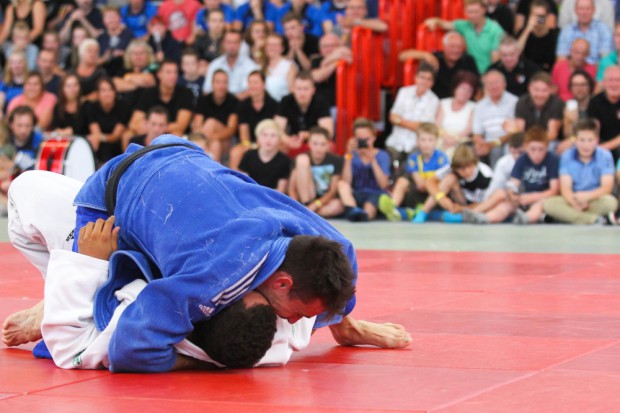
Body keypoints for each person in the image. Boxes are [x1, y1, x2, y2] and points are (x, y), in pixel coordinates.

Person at [5, 132, 412, 372]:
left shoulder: (336, 248)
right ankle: (57, 301)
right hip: (114, 192)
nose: (294, 321)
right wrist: (204, 360)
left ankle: (67, 294)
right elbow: (131, 347)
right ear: (282, 281)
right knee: (30, 201)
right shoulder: (216, 276)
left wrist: (343, 324)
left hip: (185, 157)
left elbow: (335, 288)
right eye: (302, 314)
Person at [2, 170, 306, 371]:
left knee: (24, 187)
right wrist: (338, 316)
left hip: (109, 256)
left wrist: (89, 262)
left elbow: (69, 348)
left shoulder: (132, 324)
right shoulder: (271, 338)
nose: (244, 280)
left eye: (238, 289)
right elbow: (315, 285)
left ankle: (52, 300)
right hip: (164, 220)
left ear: (206, 310)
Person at [462, 126, 559, 224]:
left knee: (539, 205)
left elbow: (554, 190)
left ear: (547, 147)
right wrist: (512, 195)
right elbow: (513, 184)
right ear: (526, 147)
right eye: (532, 149)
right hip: (524, 198)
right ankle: (483, 217)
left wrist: (532, 197)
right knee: (504, 204)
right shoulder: (522, 159)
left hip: (541, 198)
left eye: (541, 149)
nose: (536, 154)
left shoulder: (552, 160)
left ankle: (526, 218)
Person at [543, 118, 617, 224]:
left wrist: (586, 196)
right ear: (575, 140)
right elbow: (565, 188)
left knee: (611, 202)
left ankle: (571, 217)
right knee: (548, 204)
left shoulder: (605, 155)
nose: (586, 145)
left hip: (595, 198)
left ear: (597, 140)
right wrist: (574, 203)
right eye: (582, 140)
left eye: (590, 140)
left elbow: (606, 188)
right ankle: (593, 220)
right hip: (573, 198)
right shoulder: (566, 156)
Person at [379, 123, 449, 223]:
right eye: (423, 140)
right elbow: (419, 183)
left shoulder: (442, 158)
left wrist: (429, 184)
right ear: (417, 141)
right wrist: (426, 183)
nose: (426, 143)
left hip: (434, 197)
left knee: (440, 186)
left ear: (436, 142)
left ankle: (414, 212)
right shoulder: (413, 158)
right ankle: (392, 208)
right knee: (402, 181)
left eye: (430, 140)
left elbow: (442, 181)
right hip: (418, 193)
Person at [425, 0, 505, 74]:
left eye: (476, 12)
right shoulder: (464, 25)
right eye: (469, 12)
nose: (473, 15)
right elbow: (445, 24)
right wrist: (434, 21)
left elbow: (495, 62)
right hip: (469, 74)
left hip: (487, 74)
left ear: (483, 10)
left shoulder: (495, 30)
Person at [385, 63, 440, 170]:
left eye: (429, 79)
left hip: (415, 146)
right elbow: (392, 117)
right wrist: (411, 124)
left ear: (432, 83)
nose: (424, 81)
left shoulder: (434, 100)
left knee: (408, 175)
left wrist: (400, 121)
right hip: (395, 142)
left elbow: (423, 127)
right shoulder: (404, 92)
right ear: (415, 77)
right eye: (422, 77)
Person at [422, 142, 494, 223]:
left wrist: (461, 208)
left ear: (475, 162)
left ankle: (457, 216)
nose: (466, 171)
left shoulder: (486, 176)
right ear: (456, 168)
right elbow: (430, 181)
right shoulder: (453, 167)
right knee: (450, 178)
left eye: (469, 166)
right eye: (462, 169)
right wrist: (442, 198)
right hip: (459, 199)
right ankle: (423, 212)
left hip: (477, 205)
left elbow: (483, 204)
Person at [338, 117, 391, 222]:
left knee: (369, 207)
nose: (363, 142)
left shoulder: (382, 155)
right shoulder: (351, 155)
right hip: (356, 194)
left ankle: (362, 215)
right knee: (341, 184)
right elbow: (346, 182)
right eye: (359, 139)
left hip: (375, 194)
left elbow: (384, 184)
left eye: (366, 139)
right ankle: (353, 210)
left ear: (374, 138)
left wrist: (373, 160)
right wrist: (348, 155)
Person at [398, 31, 479, 100]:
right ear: (444, 46)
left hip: (460, 103)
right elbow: (401, 56)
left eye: (459, 47)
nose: (456, 50)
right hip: (434, 103)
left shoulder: (468, 60)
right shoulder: (435, 57)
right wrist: (425, 55)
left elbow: (477, 86)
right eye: (452, 46)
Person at [128, 60, 194, 138]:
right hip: (150, 132)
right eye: (168, 72)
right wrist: (152, 129)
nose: (173, 76)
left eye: (175, 72)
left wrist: (156, 129)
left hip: (170, 133)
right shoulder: (148, 93)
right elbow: (134, 123)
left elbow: (181, 125)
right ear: (159, 74)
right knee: (128, 135)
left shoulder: (186, 93)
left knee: (176, 134)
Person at [288, 126, 344, 218]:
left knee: (338, 206)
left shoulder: (336, 160)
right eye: (315, 144)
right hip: (306, 197)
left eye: (323, 144)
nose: (318, 148)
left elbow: (332, 191)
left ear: (328, 145)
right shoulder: (300, 159)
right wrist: (296, 205)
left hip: (323, 202)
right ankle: (306, 208)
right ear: (309, 143)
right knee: (302, 159)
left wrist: (316, 204)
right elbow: (292, 189)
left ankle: (307, 213)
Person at [275, 71, 333, 156]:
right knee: (277, 144)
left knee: (330, 146)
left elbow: (328, 132)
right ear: (293, 89)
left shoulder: (321, 102)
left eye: (306, 89)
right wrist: (288, 140)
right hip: (291, 142)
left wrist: (309, 135)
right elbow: (277, 129)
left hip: (315, 141)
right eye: (299, 88)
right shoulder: (286, 101)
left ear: (313, 90)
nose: (302, 93)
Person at [471, 70, 519, 166]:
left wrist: (493, 144)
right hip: (486, 142)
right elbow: (477, 133)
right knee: (472, 150)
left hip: (506, 142)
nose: (493, 86)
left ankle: (496, 179)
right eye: (490, 83)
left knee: (496, 150)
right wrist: (480, 143)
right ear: (485, 87)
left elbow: (514, 131)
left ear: (504, 84)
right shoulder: (480, 106)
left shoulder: (515, 102)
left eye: (496, 82)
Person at [192, 69, 239, 162]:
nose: (221, 86)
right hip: (210, 141)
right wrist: (212, 138)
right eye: (218, 82)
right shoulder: (204, 100)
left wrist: (212, 137)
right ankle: (214, 174)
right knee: (215, 143)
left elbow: (231, 130)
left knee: (211, 122)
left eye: (224, 82)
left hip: (226, 141)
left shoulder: (234, 101)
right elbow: (197, 126)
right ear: (212, 83)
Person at [202, 29, 260, 100]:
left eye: (235, 42)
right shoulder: (214, 65)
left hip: (242, 106)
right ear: (223, 43)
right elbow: (207, 90)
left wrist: (232, 102)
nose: (232, 46)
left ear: (240, 44)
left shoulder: (250, 66)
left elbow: (254, 91)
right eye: (229, 42)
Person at [85, 77, 129, 166]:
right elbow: (95, 132)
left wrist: (101, 137)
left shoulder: (123, 107)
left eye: (110, 90)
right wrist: (98, 138)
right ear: (98, 94)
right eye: (103, 90)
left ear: (115, 92)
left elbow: (116, 136)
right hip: (99, 144)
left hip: (116, 144)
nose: (107, 93)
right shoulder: (91, 107)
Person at [239, 119, 291, 193]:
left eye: (273, 135)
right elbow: (242, 183)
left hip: (272, 199)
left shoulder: (284, 160)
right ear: (258, 138)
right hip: (250, 195)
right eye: (264, 135)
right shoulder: (249, 155)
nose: (268, 139)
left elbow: (280, 191)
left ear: (279, 139)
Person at [555, 0, 612, 65]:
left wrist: (589, 70)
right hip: (571, 71)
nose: (584, 12)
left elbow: (605, 61)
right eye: (581, 9)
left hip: (596, 72)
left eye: (588, 8)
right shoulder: (566, 31)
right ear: (575, 11)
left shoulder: (604, 30)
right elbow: (561, 60)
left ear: (594, 10)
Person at [515, 71, 564, 146]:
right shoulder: (522, 102)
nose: (540, 95)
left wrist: (534, 144)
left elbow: (552, 134)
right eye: (536, 90)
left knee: (551, 146)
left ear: (551, 90)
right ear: (529, 88)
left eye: (544, 90)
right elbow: (520, 131)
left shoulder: (557, 103)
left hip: (548, 141)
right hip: (527, 141)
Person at [435, 71, 477, 158]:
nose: (465, 93)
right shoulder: (443, 103)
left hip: (461, 140)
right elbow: (437, 125)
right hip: (442, 137)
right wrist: (446, 137)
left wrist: (454, 140)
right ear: (455, 88)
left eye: (469, 90)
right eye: (463, 88)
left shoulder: (474, 106)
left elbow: (469, 129)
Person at [585, 65, 620, 161]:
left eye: (618, 80)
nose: (614, 84)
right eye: (610, 80)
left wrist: (604, 147)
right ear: (603, 83)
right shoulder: (595, 102)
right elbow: (593, 128)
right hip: (601, 141)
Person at [311, 33, 352, 109]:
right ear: (320, 49)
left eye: (333, 45)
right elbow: (317, 77)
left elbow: (345, 51)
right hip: (320, 107)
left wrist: (325, 63)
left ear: (339, 46)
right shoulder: (316, 60)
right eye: (325, 46)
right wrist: (335, 62)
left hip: (344, 105)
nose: (329, 49)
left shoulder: (345, 53)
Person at [517, 0, 559, 73]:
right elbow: (516, 53)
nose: (538, 19)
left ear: (547, 17)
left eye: (541, 16)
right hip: (527, 73)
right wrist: (528, 29)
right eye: (535, 15)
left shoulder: (555, 35)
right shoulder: (523, 33)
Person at [97, 6, 134, 76]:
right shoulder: (101, 38)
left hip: (125, 71)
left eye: (113, 17)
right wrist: (104, 59)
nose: (111, 20)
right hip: (104, 72)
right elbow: (95, 60)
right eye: (108, 17)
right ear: (103, 21)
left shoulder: (128, 35)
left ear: (120, 18)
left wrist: (124, 54)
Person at [562, 69, 595, 144]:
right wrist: (569, 121)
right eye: (575, 85)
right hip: (576, 141)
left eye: (583, 84)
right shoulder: (570, 105)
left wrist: (572, 141)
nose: (579, 88)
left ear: (589, 86)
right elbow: (567, 135)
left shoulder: (597, 103)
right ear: (571, 87)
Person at [49, 74, 86, 138]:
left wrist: (70, 131)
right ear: (62, 88)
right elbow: (56, 128)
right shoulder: (57, 107)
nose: (72, 89)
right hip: (63, 142)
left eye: (75, 85)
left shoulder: (86, 106)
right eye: (68, 86)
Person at [8, 105, 43, 172]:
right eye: (19, 125)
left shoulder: (41, 142)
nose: (23, 130)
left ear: (33, 126)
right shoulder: (3, 139)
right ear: (11, 125)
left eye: (27, 126)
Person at [264, 33, 297, 102]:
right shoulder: (260, 65)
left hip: (281, 105)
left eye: (275, 45)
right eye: (269, 45)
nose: (271, 47)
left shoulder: (289, 66)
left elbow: (292, 91)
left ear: (282, 49)